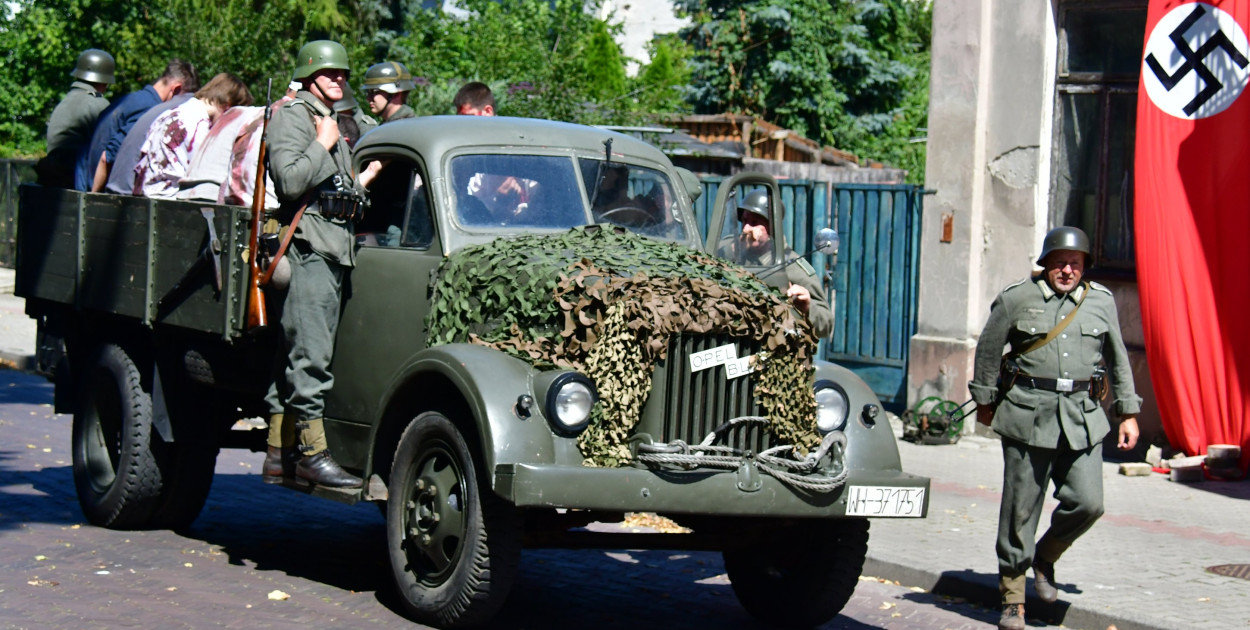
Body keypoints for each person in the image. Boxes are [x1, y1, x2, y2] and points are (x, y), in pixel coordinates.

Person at [969, 226, 1141, 630]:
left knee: (1088, 502)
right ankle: (1012, 600)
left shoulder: (1100, 302)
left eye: (1075, 264)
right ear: (1045, 263)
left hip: (1082, 417)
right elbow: (989, 350)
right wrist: (984, 402)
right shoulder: (1017, 298)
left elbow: (1117, 358)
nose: (1067, 270)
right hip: (1027, 414)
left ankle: (1045, 556)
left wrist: (1128, 412)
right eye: (1060, 262)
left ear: (1085, 267)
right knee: (1020, 510)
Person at [261, 40, 381, 489]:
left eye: (343, 73)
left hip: (334, 244)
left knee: (292, 353)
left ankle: (278, 453)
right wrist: (322, 143)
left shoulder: (332, 119)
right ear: (310, 74)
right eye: (331, 73)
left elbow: (335, 191)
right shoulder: (295, 116)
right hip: (308, 247)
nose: (339, 79)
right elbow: (291, 181)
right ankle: (311, 454)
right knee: (310, 355)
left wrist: (362, 179)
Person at [74, 58, 199, 192]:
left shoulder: (130, 100)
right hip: (99, 193)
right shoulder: (150, 110)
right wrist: (94, 197)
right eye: (181, 98)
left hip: (83, 182)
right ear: (175, 89)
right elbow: (107, 157)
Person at [728, 189, 833, 338]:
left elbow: (827, 324)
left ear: (772, 227)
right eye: (744, 221)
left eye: (754, 223)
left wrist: (808, 308)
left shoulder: (794, 268)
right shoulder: (738, 256)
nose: (745, 229)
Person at [133, 73, 252, 198]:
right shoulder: (200, 126)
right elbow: (204, 178)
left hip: (144, 197)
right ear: (227, 107)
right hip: (168, 202)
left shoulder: (170, 114)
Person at [37, 49, 115, 188]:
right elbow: (109, 150)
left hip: (53, 178)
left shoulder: (66, 100)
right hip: (76, 181)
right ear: (104, 81)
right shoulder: (98, 104)